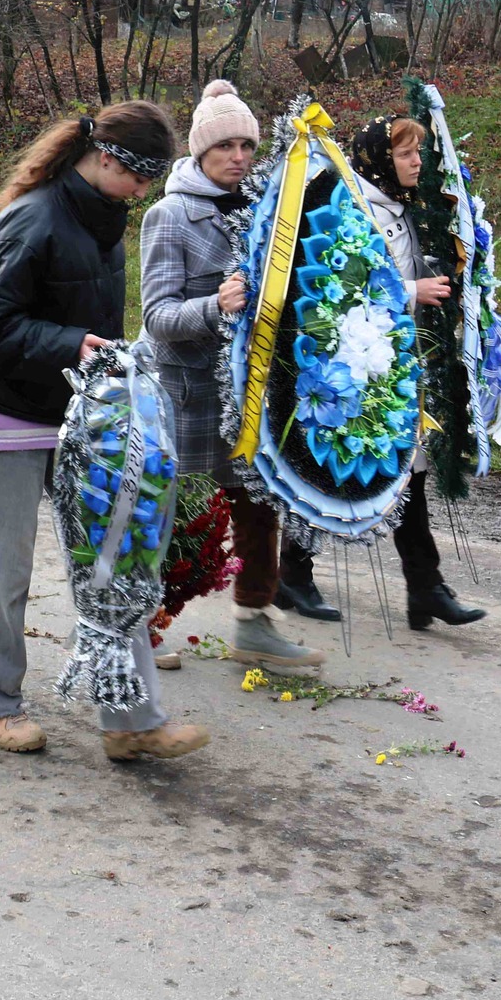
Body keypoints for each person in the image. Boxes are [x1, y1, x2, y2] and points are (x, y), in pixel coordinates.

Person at [0, 104, 196, 759]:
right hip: (7, 410)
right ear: (107, 160)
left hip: (76, 409)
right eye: (142, 178)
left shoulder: (103, 217)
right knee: (5, 564)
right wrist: (72, 344)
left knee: (116, 554)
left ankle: (133, 720)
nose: (145, 193)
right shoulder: (31, 221)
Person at [141, 80, 326, 672]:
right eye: (226, 147)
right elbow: (156, 316)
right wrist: (215, 307)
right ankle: (143, 623)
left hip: (249, 392)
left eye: (248, 144)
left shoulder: (264, 212)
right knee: (182, 515)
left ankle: (255, 621)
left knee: (257, 502)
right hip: (187, 393)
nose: (240, 157)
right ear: (200, 153)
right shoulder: (170, 214)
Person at [349, 116, 489, 631]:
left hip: (406, 362)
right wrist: (411, 293)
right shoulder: (357, 211)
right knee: (349, 480)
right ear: (381, 159)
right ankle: (291, 573)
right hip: (363, 369)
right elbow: (345, 290)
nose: (417, 163)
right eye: (407, 154)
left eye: (420, 154)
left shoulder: (407, 207)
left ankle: (424, 589)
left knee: (412, 476)